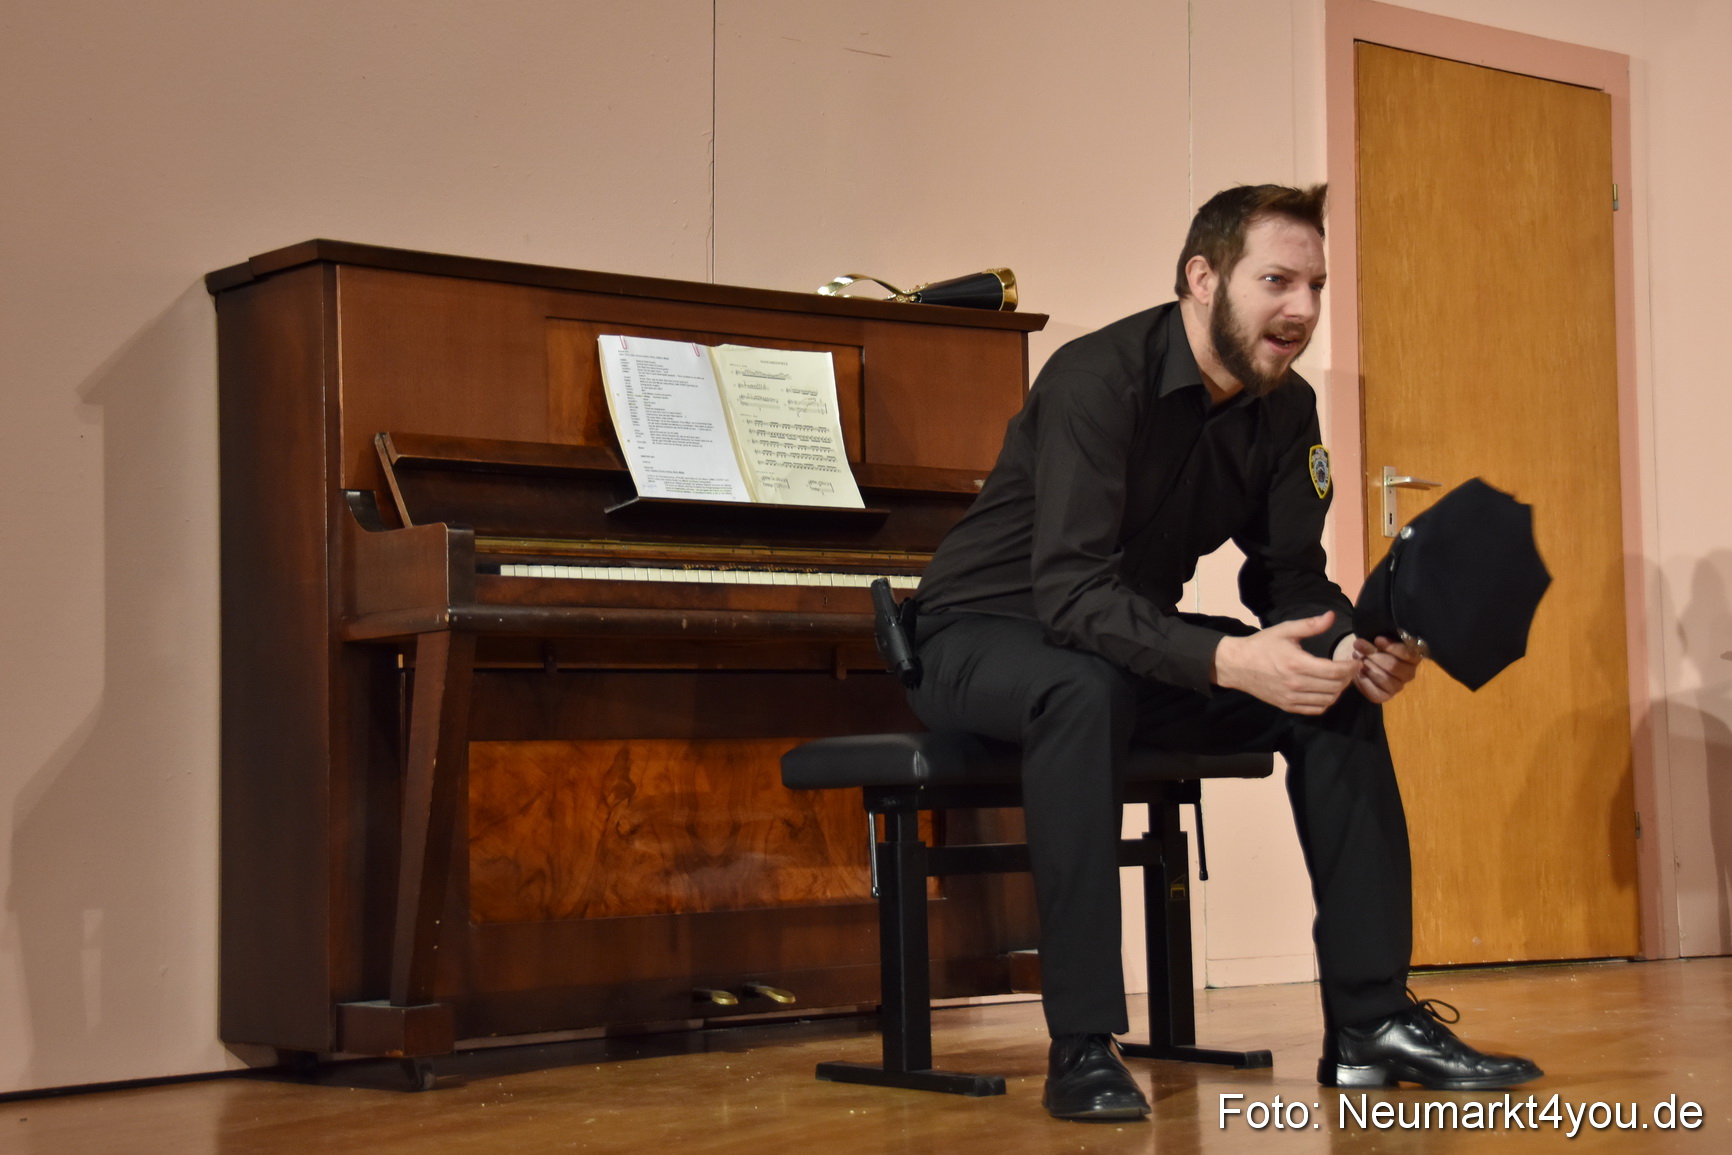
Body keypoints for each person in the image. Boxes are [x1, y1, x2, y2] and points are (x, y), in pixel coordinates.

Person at [908, 183, 1542, 1122]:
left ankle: (1370, 1023)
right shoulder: (1097, 379)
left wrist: (1357, 647)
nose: (1303, 310)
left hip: (1114, 644)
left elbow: (1289, 581)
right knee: (1080, 690)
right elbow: (1072, 592)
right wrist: (1230, 660)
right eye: (1277, 280)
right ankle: (1083, 1040)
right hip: (979, 635)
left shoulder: (1286, 410)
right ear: (1202, 278)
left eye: (1317, 286)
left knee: (1335, 696)